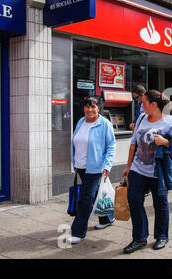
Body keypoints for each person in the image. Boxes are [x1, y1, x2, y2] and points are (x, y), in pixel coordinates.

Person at [122, 90, 172, 253]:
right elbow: (133, 143)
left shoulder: (170, 121)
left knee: (160, 205)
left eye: (143, 103)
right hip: (138, 169)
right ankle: (139, 238)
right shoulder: (142, 118)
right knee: (134, 202)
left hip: (159, 171)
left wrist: (165, 142)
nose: (141, 105)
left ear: (154, 104)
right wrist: (129, 166)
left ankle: (162, 236)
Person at [68, 96, 116, 245]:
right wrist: (75, 163)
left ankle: (78, 232)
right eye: (87, 106)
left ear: (98, 108)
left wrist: (107, 166)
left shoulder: (104, 124)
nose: (89, 110)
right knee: (94, 194)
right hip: (81, 167)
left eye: (93, 107)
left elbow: (111, 146)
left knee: (85, 199)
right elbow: (76, 143)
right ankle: (107, 218)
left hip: (96, 168)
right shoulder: (81, 122)